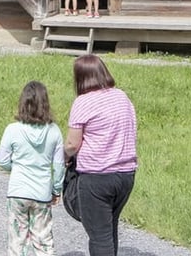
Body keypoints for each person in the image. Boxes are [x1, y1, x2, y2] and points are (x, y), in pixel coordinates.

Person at [65, 54, 137, 256]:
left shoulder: (83, 102)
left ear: (80, 78)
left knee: (99, 236)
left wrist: (64, 158)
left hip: (97, 177)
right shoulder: (121, 96)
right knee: (108, 229)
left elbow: (72, 144)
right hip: (126, 175)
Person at [0, 80, 65, 256]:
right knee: (43, 240)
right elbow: (59, 166)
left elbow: (2, 160)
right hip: (42, 192)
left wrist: (17, 169)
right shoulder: (54, 131)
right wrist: (56, 190)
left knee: (17, 240)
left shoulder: (12, 130)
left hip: (17, 191)